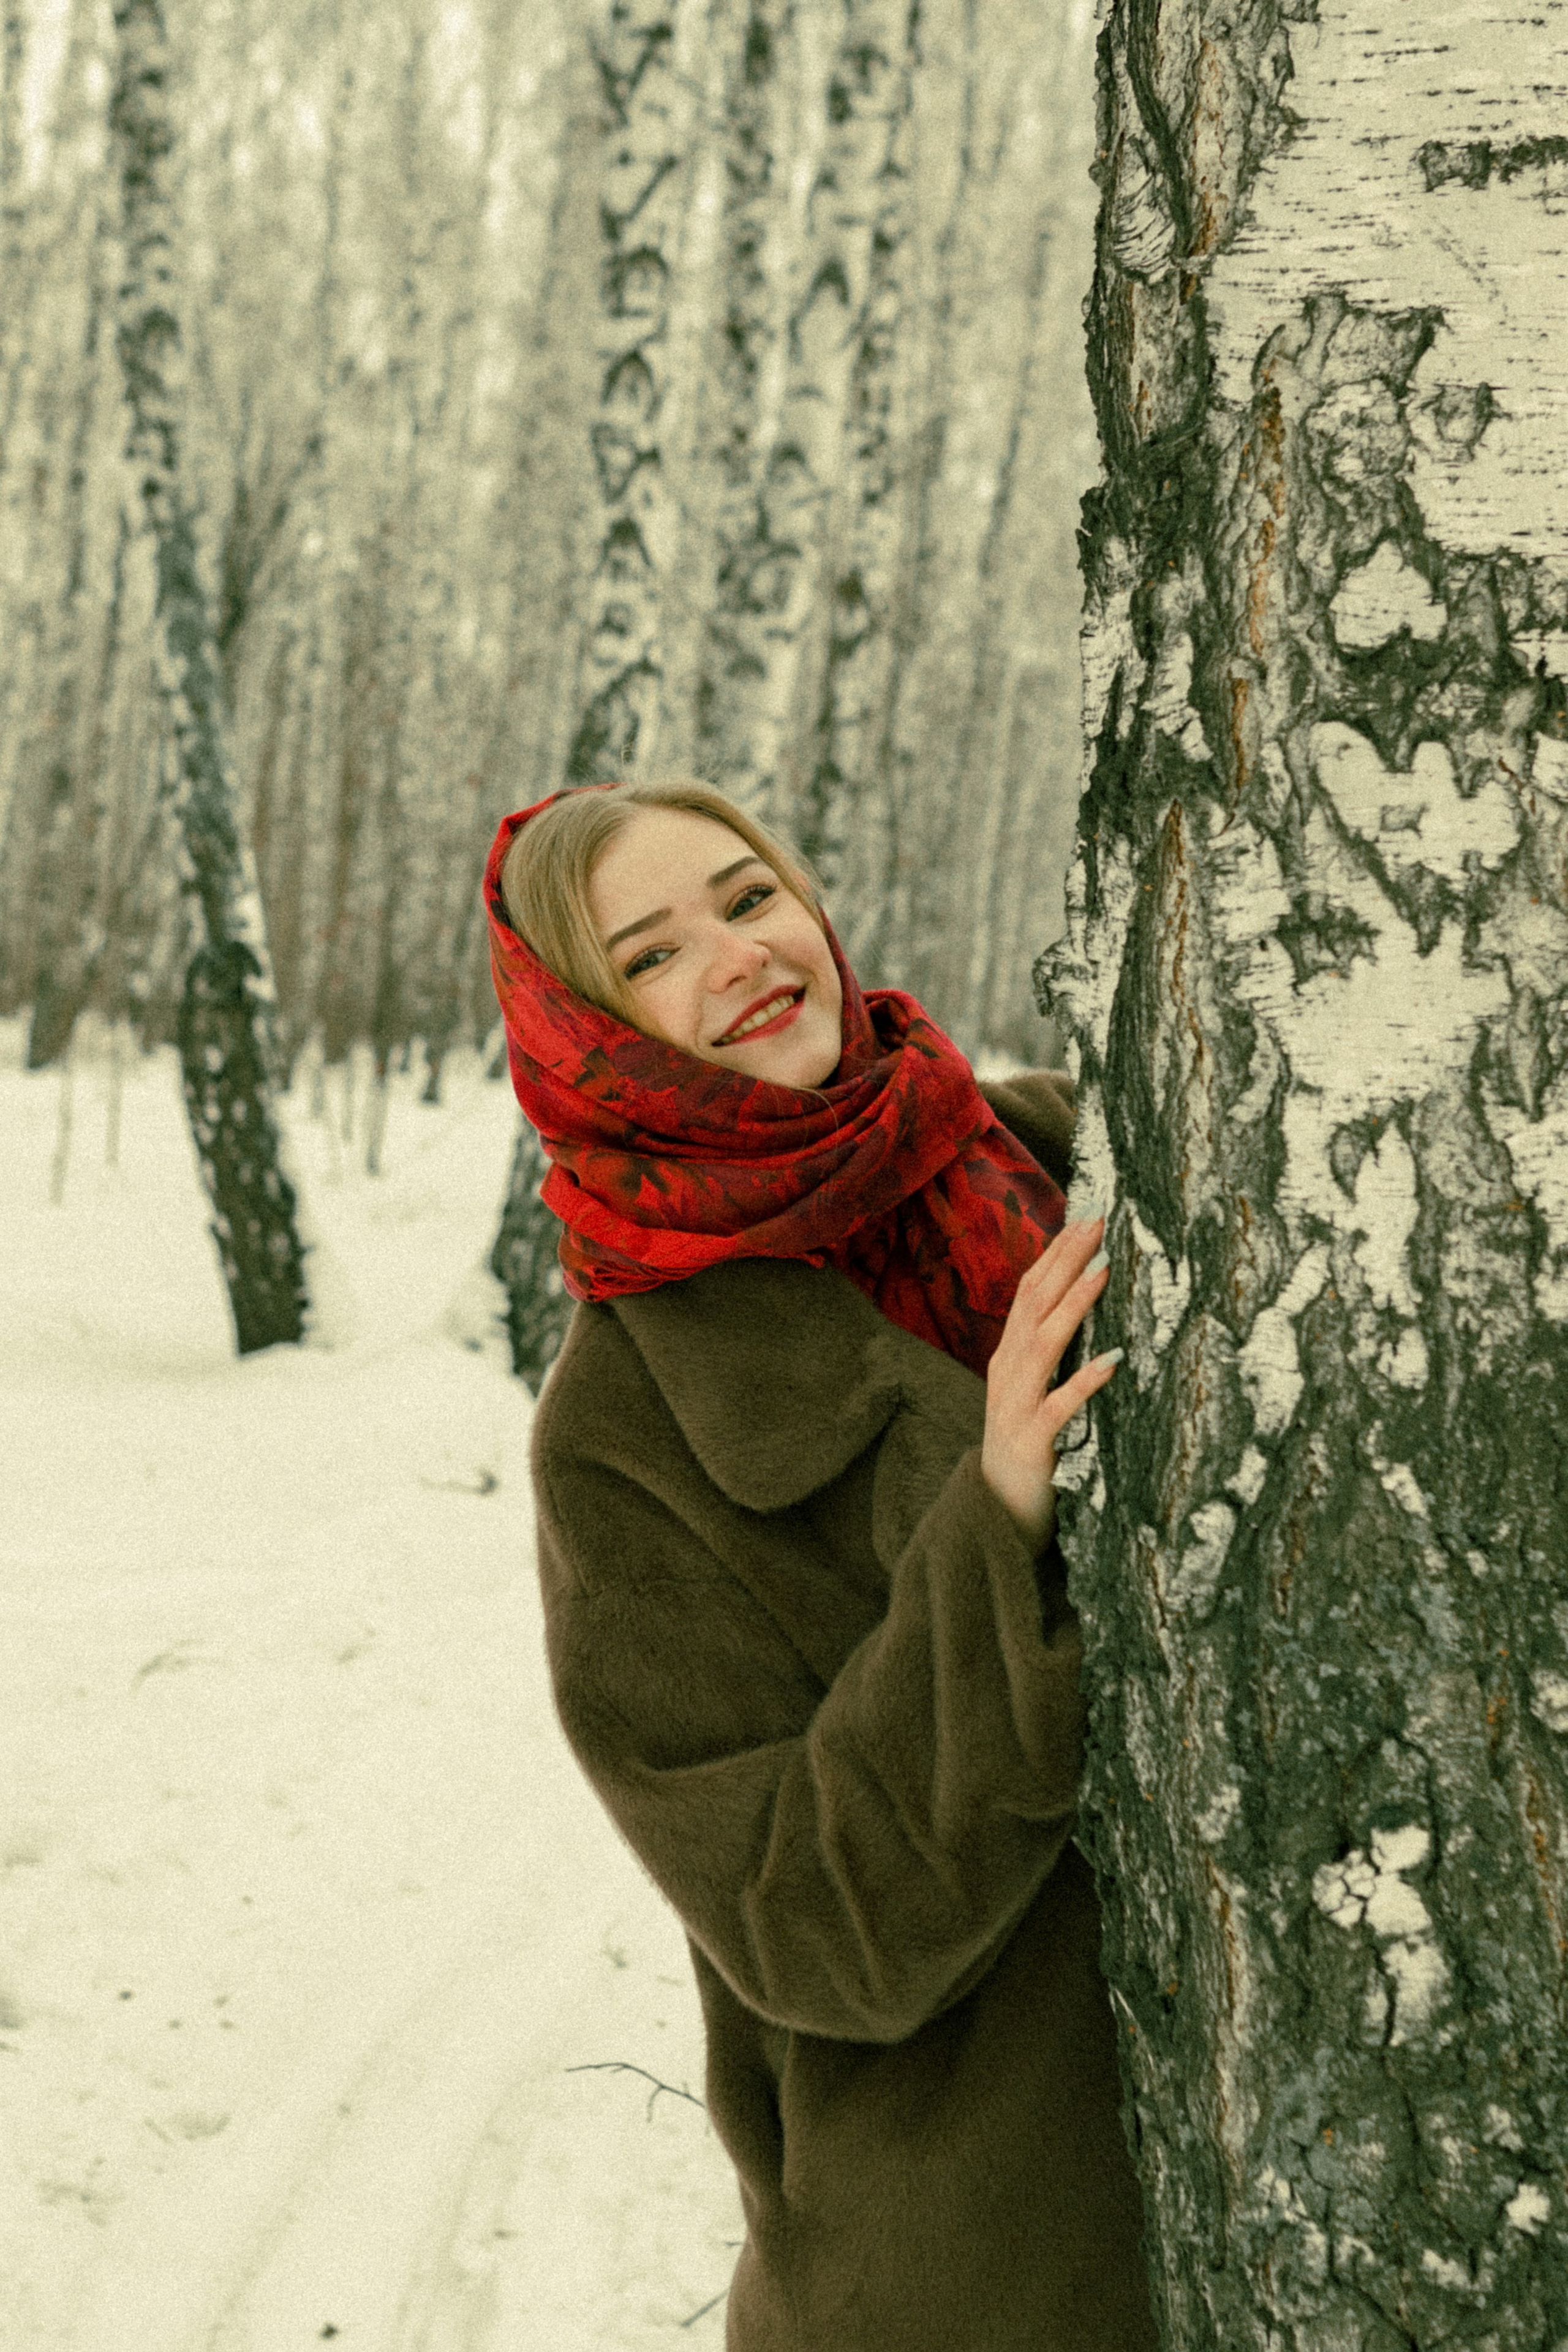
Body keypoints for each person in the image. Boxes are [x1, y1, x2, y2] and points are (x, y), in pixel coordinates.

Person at [483, 777, 1158, 2352]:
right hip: (982, 2248)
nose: (737, 957)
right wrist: (993, 1527)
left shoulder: (1064, 1147)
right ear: (586, 1035)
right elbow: (813, 1930)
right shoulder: (624, 1427)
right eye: (647, 957)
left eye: (746, 895)